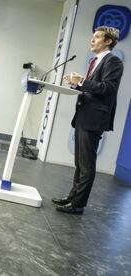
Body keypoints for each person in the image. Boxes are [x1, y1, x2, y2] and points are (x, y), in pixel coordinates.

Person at [52, 26, 124, 215]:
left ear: (108, 41)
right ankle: (72, 197)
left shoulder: (113, 61)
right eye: (92, 37)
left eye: (97, 37)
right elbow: (94, 89)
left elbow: (107, 88)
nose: (92, 40)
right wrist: (77, 84)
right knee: (80, 163)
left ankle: (78, 205)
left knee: (86, 165)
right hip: (84, 117)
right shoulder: (96, 61)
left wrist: (82, 82)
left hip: (94, 119)